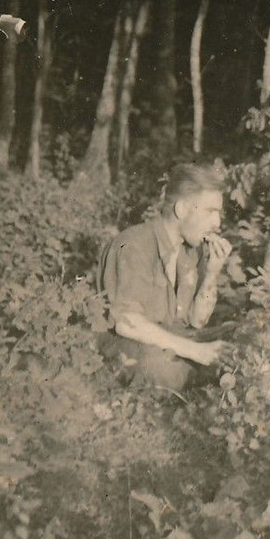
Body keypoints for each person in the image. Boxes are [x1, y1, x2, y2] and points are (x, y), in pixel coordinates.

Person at [97, 163, 235, 392]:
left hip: (174, 339)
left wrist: (212, 273)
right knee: (159, 367)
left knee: (239, 334)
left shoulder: (192, 250)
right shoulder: (133, 244)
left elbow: (197, 322)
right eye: (210, 211)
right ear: (181, 209)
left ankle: (209, 378)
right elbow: (127, 324)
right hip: (133, 344)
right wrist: (196, 351)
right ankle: (203, 383)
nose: (217, 223)